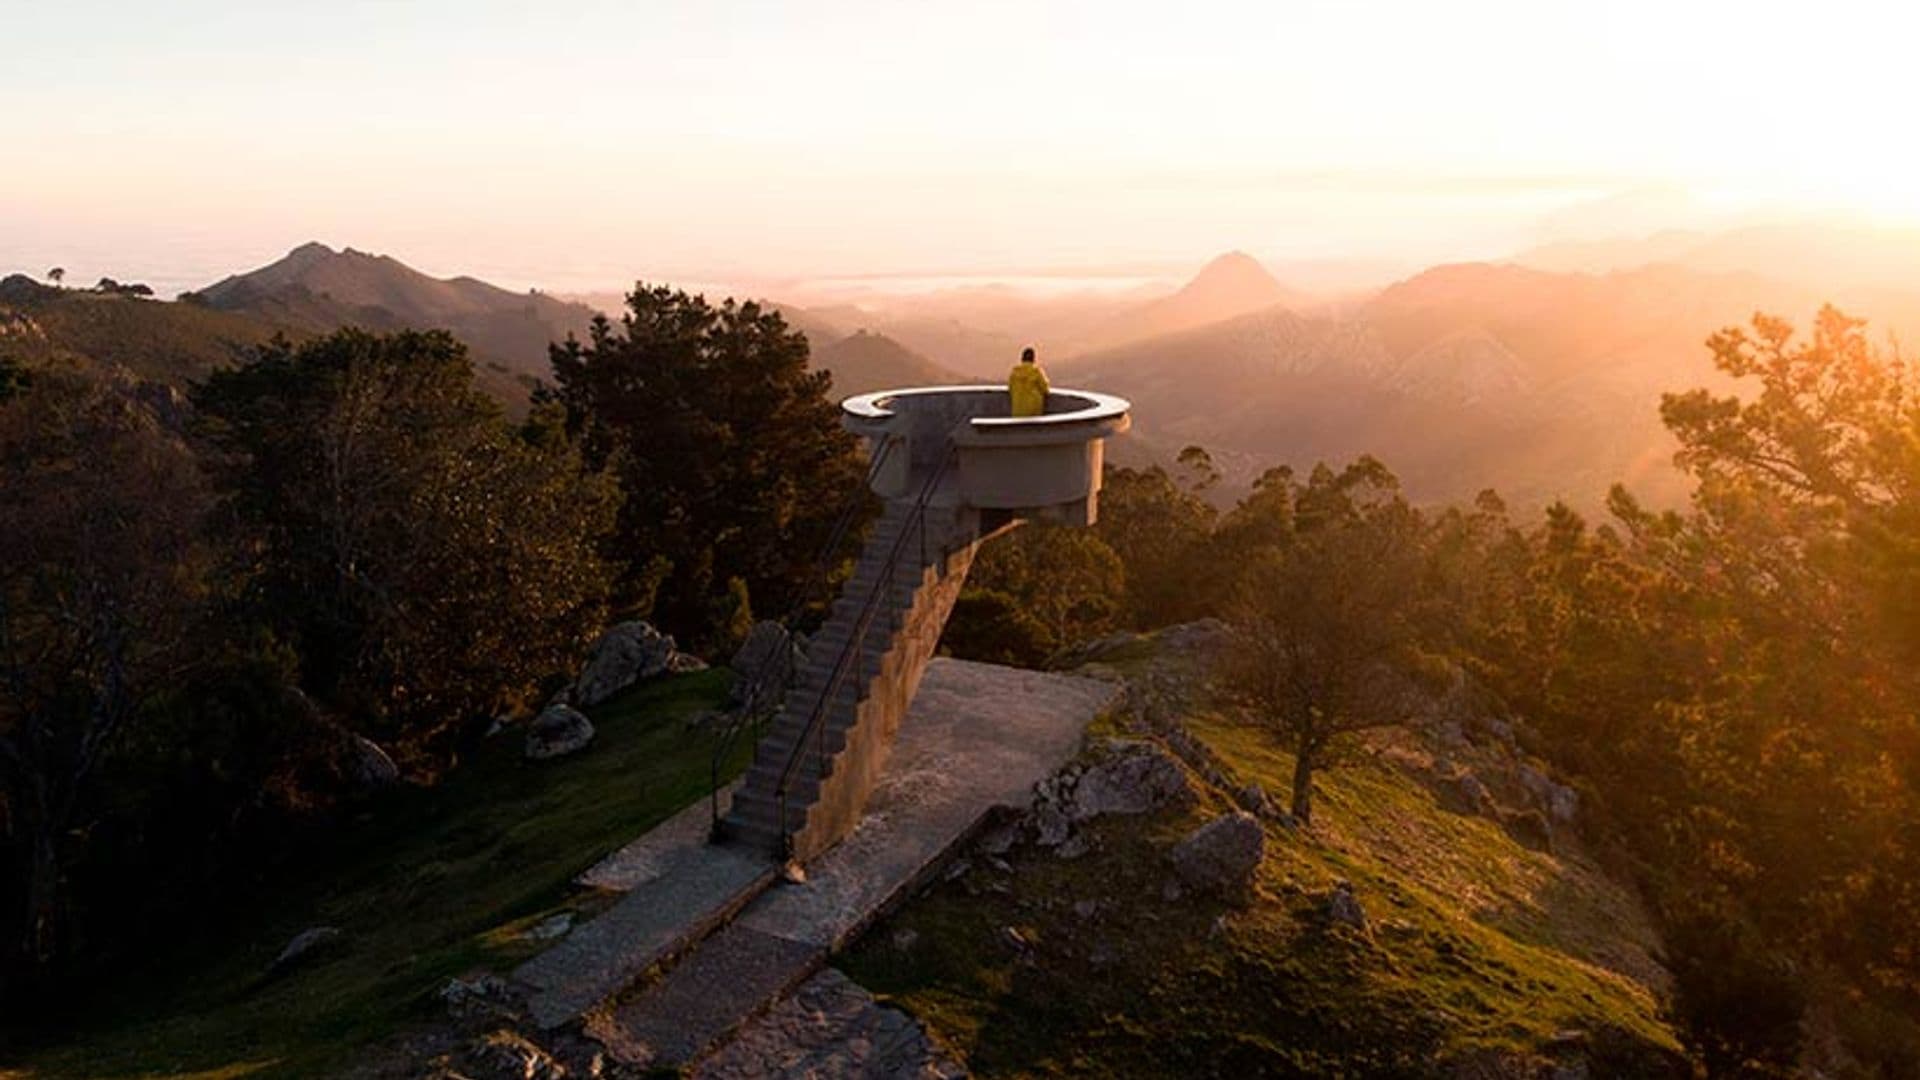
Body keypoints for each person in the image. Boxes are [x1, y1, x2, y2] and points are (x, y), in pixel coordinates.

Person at [1008, 345, 1050, 417]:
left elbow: (1010, 388)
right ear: (1033, 359)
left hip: (1018, 408)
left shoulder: (1014, 372)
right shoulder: (1036, 371)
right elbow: (1045, 389)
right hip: (1033, 409)